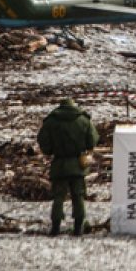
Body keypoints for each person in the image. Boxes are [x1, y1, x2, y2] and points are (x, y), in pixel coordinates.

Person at [37, 98, 98, 236]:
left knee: (58, 197)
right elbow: (92, 141)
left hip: (59, 165)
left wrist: (53, 149)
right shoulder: (84, 120)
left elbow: (45, 145)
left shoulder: (51, 122)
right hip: (78, 165)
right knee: (79, 196)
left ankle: (55, 228)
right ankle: (78, 227)